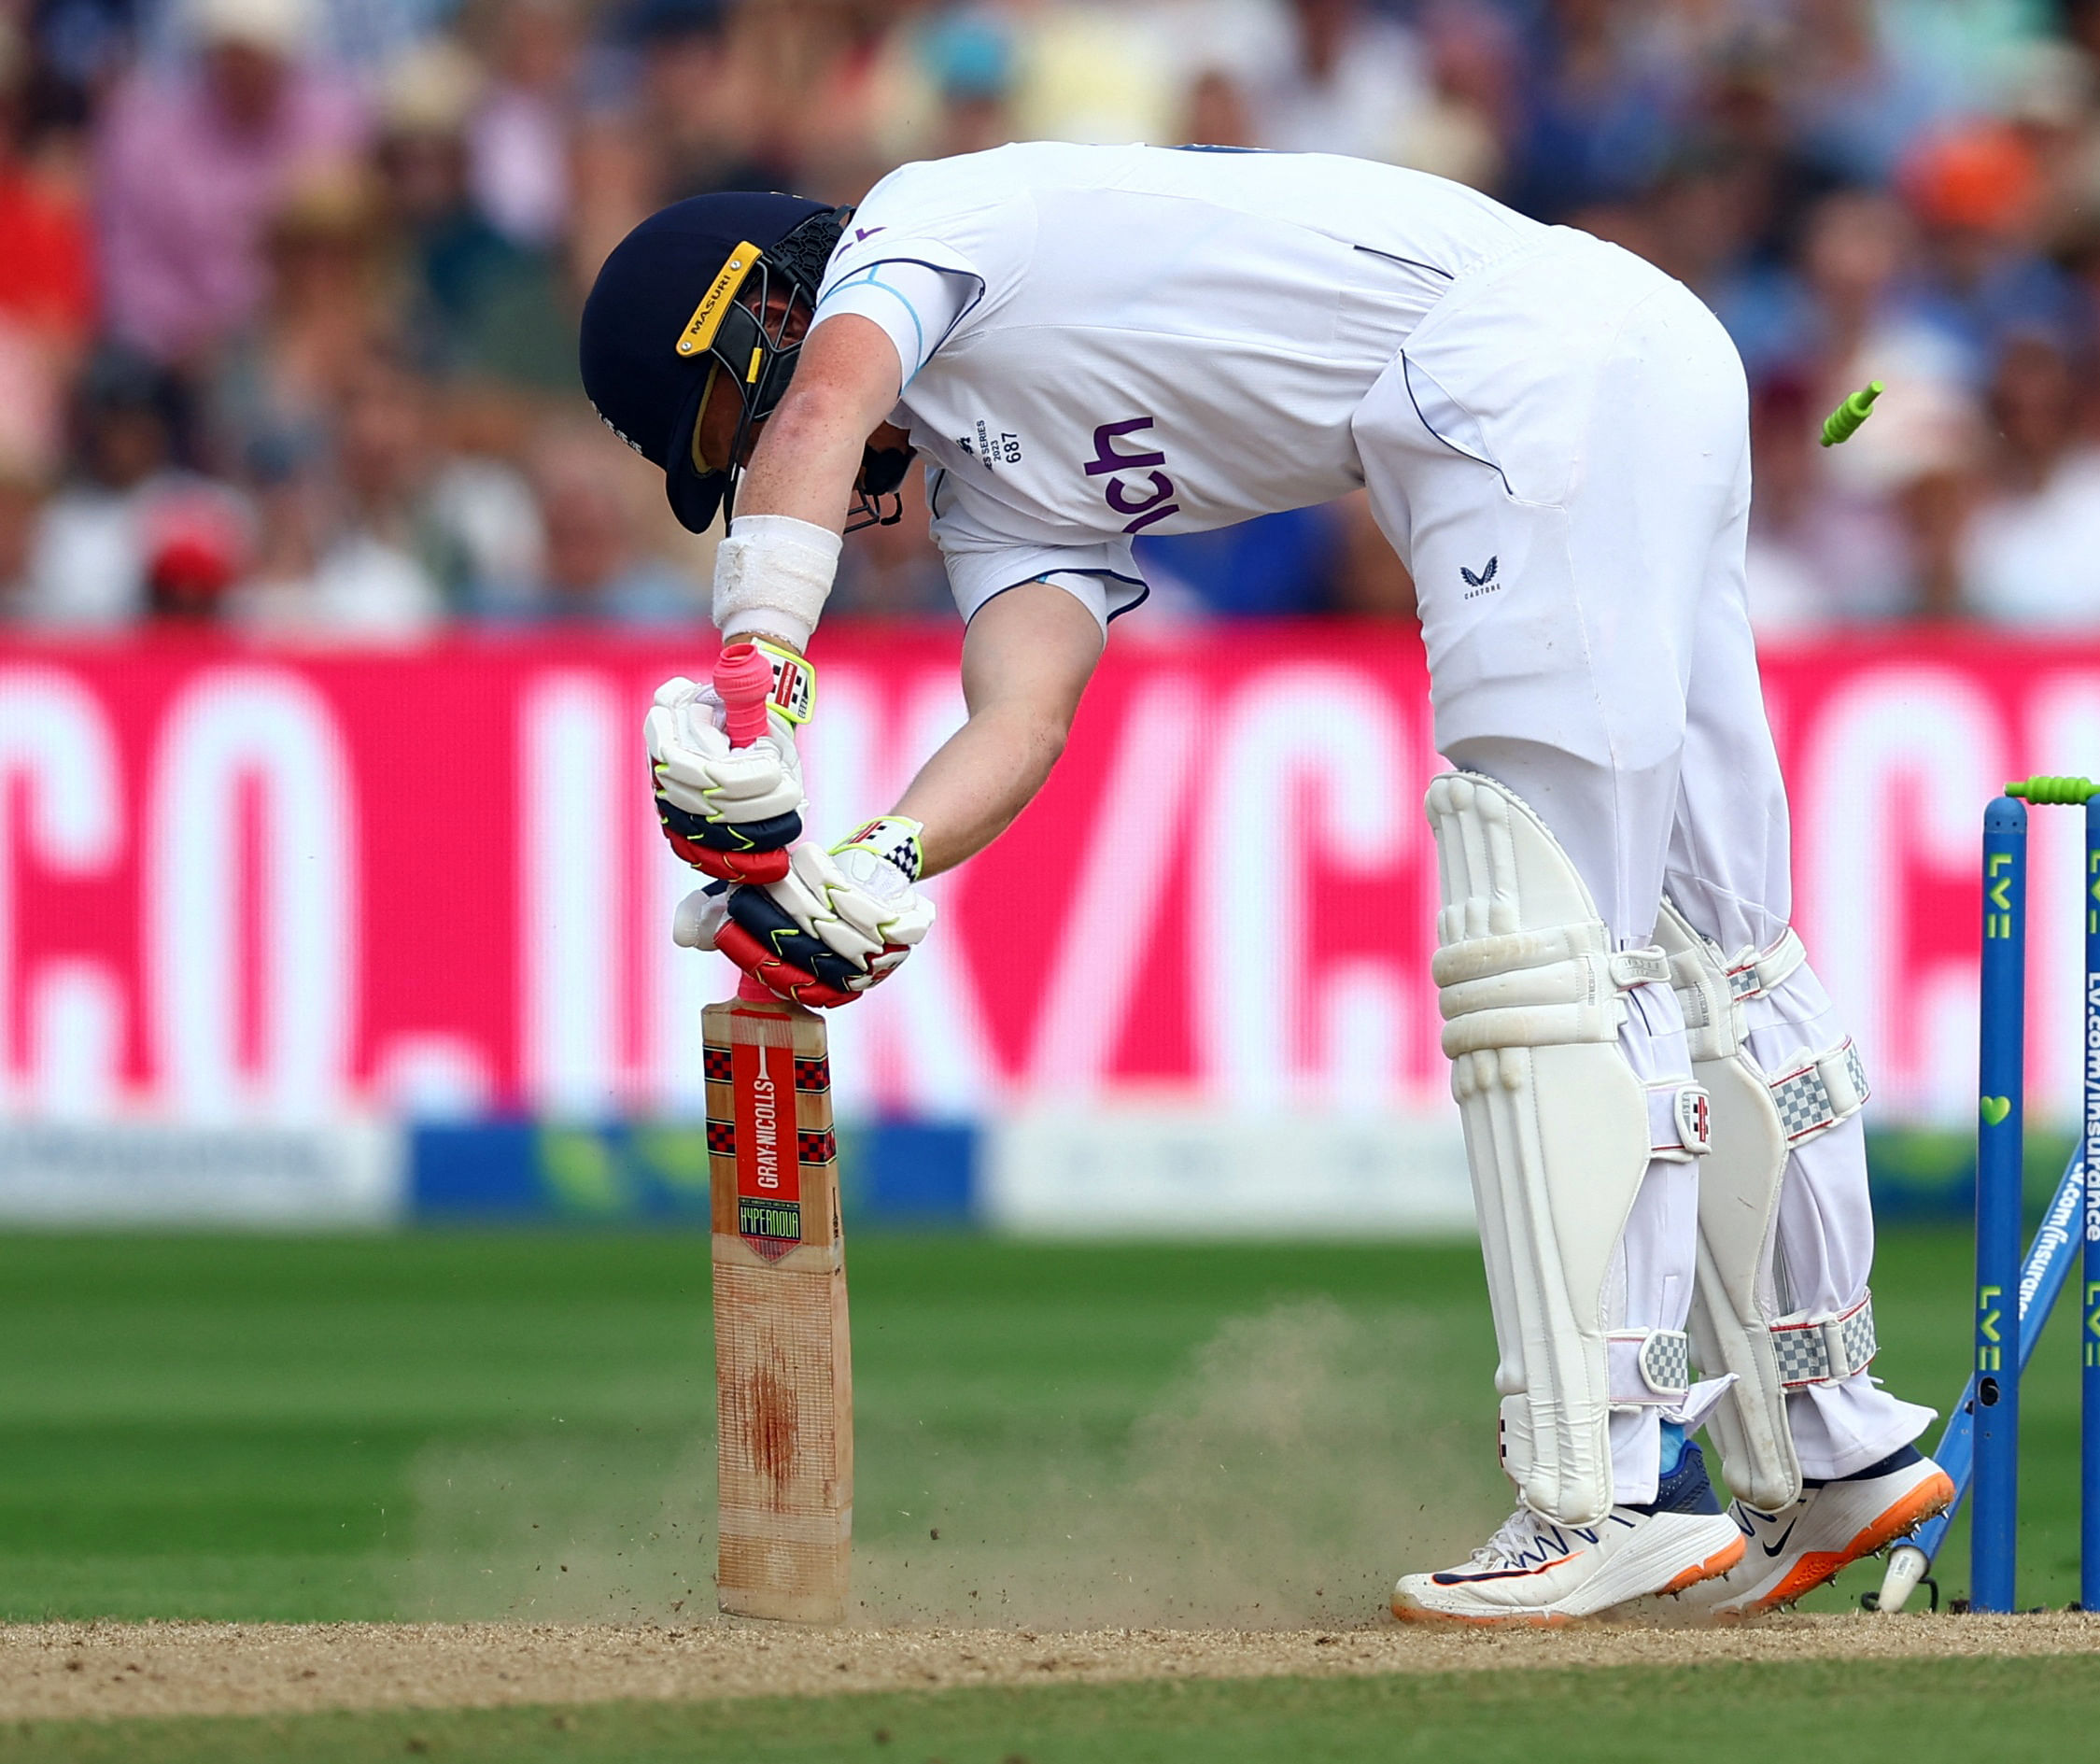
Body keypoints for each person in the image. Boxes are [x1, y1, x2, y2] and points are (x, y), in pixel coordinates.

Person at [581, 148, 1948, 1625]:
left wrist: (756, 687)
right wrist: (878, 861)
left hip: (1516, 381)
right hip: (1632, 360)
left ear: (763, 305)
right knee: (1715, 949)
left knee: (1549, 946)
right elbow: (1019, 718)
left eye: (735, 415)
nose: (771, 464)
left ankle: (1601, 1494)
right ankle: (1829, 1438)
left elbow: (828, 401)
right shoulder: (991, 486)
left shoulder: (915, 230)